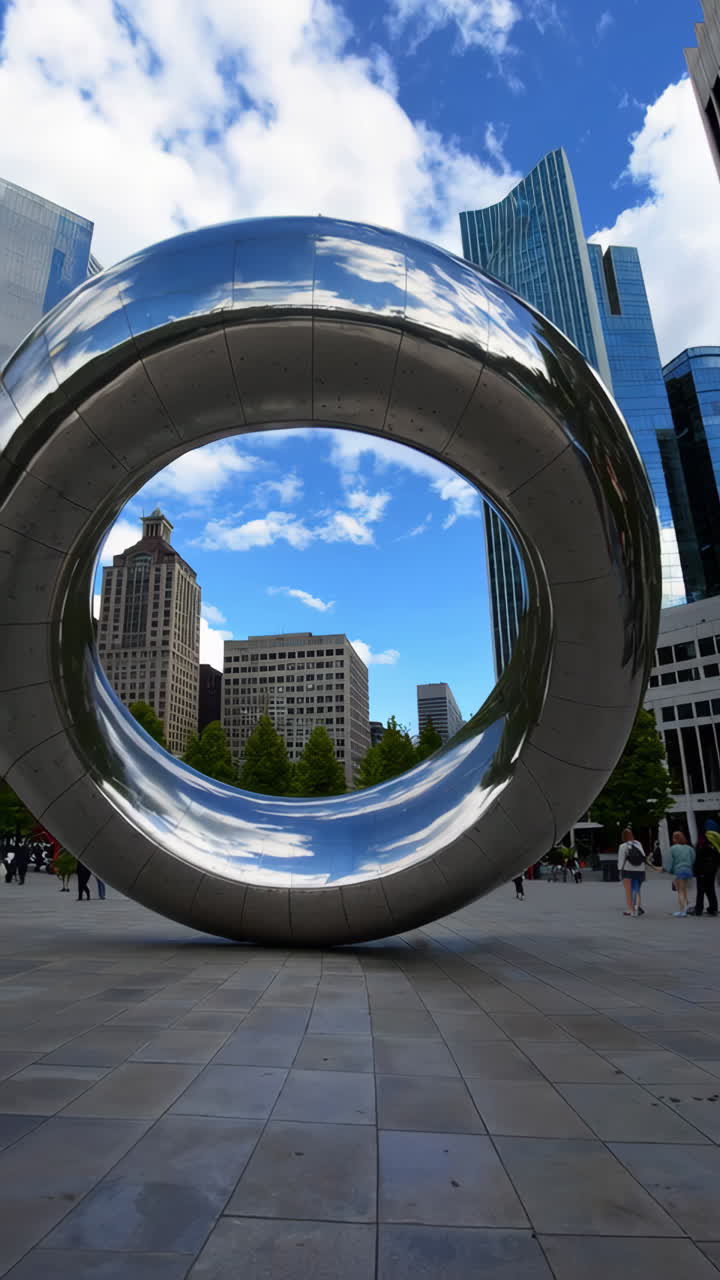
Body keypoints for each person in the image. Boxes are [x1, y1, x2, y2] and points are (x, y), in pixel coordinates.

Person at [618, 827, 649, 917]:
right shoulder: (638, 844)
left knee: (628, 891)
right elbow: (643, 856)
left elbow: (621, 860)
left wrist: (620, 871)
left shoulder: (623, 846)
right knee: (636, 890)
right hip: (640, 870)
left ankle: (630, 909)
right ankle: (637, 907)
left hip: (627, 870)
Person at [692, 822, 719, 917]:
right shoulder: (715, 844)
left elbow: (698, 859)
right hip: (712, 870)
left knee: (701, 890)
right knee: (711, 889)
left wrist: (695, 871)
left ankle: (698, 909)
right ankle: (713, 908)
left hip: (702, 871)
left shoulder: (701, 844)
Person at [667, 831, 695, 917]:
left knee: (680, 891)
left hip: (679, 870)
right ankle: (686, 907)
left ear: (675, 839)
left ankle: (682, 910)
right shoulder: (689, 848)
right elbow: (693, 859)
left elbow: (670, 862)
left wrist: (670, 870)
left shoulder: (673, 848)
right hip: (688, 870)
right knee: (685, 890)